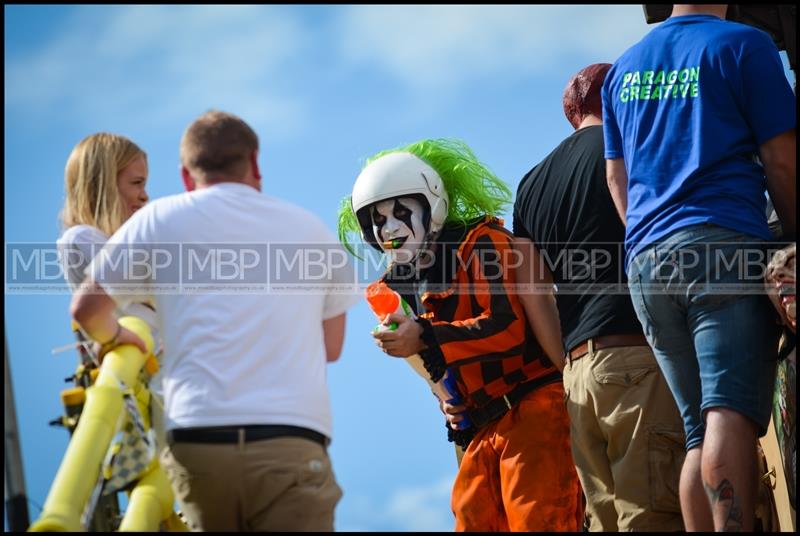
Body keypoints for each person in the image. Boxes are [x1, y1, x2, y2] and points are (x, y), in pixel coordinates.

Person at [71, 110, 358, 532]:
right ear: (255, 163)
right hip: (289, 439)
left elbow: (86, 310)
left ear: (187, 176)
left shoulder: (158, 220)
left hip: (196, 439)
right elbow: (331, 349)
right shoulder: (312, 231)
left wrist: (118, 337)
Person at [602, 4, 796, 531]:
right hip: (721, 246)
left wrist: (650, 238)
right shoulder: (742, 45)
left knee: (697, 431)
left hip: (645, 262)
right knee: (728, 415)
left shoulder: (622, 69)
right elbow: (781, 159)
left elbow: (617, 181)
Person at [337, 138, 582, 531]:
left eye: (401, 212)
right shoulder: (397, 285)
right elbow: (434, 364)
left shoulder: (483, 244)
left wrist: (427, 336)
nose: (391, 227)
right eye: (378, 219)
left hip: (533, 410)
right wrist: (446, 398)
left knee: (539, 520)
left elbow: (507, 326)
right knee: (472, 520)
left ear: (431, 205)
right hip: (478, 429)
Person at [513, 63, 685, 531]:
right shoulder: (630, 148)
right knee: (655, 517)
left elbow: (533, 293)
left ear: (572, 113)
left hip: (579, 378)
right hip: (638, 359)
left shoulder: (530, 185)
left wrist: (567, 366)